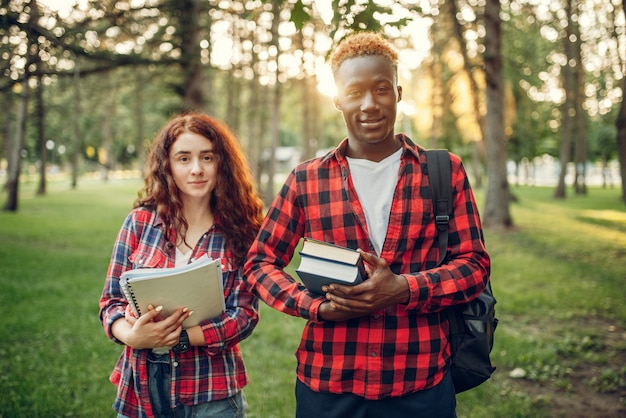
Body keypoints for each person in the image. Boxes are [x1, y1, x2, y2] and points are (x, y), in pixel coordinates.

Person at [243, 32, 490, 417]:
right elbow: (259, 264)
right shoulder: (306, 180)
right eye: (355, 92)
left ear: (399, 93)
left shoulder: (444, 171)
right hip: (328, 383)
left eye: (381, 89)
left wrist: (403, 289)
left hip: (420, 379)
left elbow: (474, 266)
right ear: (337, 100)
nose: (370, 104)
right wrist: (315, 307)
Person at [99, 112, 264, 418]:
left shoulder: (241, 231)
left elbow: (244, 316)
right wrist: (133, 336)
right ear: (168, 166)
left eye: (207, 157)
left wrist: (180, 337)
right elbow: (110, 302)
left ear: (222, 164)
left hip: (212, 390)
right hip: (142, 385)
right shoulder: (140, 222)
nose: (197, 169)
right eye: (184, 158)